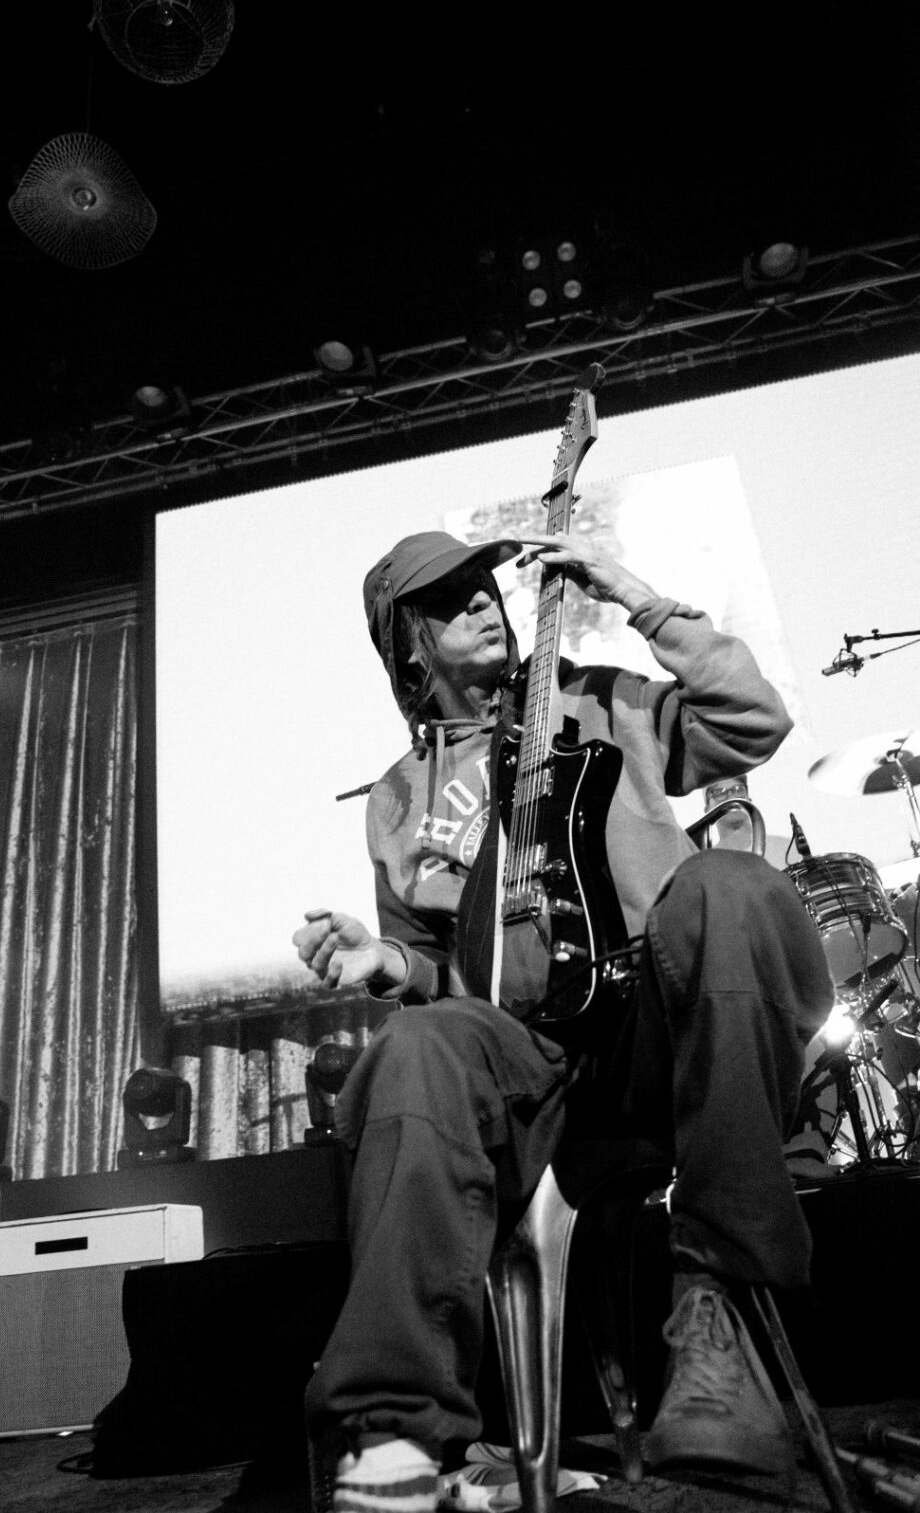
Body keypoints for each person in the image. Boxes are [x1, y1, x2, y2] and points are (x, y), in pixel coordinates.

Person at [292, 527, 833, 1513]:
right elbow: (449, 975)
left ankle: (720, 1324)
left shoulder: (600, 697)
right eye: (447, 596)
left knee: (730, 885)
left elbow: (754, 722)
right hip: (530, 1065)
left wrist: (640, 598)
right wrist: (391, 963)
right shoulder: (399, 801)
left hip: (665, 1030)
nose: (480, 599)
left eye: (481, 583)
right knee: (413, 1046)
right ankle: (391, 1437)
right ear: (407, 644)